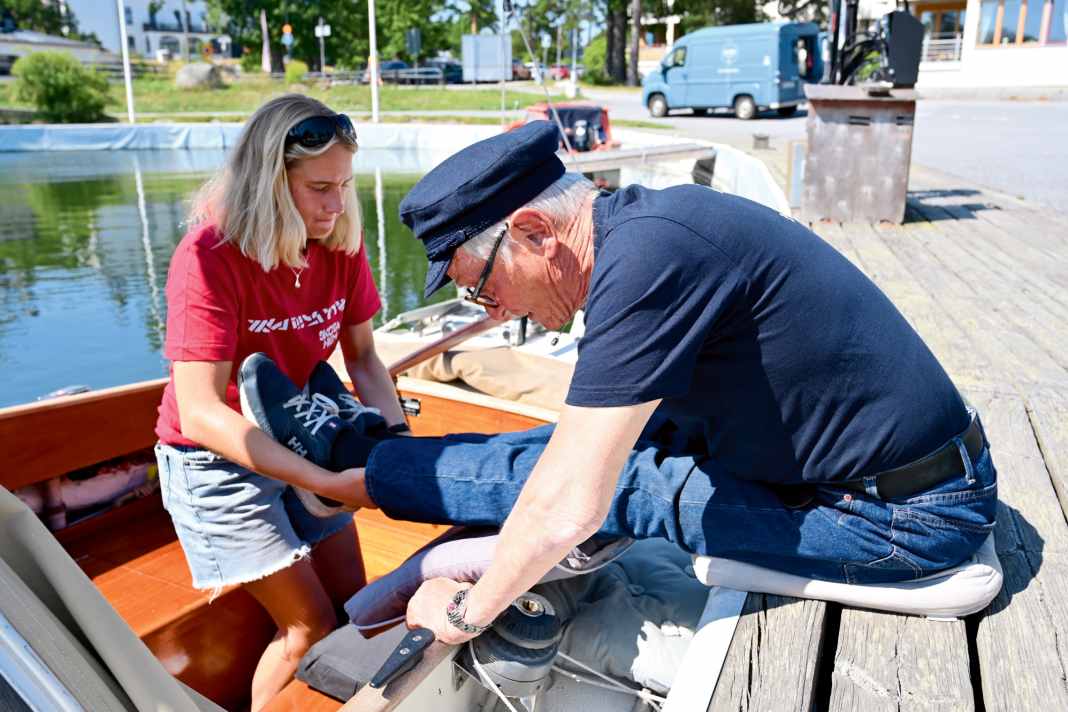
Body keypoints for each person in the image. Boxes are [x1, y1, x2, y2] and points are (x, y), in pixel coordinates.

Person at [241, 121, 997, 648]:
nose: (491, 308)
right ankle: (356, 462)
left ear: (534, 232)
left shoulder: (648, 266)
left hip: (900, 520)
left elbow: (574, 505)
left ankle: (348, 474)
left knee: (623, 487)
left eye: (482, 285)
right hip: (868, 477)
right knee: (559, 449)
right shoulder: (645, 229)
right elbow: (569, 459)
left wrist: (465, 612)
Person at [153, 94, 406, 709]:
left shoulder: (340, 241)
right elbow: (202, 411)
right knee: (310, 627)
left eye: (344, 184)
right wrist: (321, 479)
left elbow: (365, 361)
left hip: (305, 438)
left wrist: (399, 455)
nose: (336, 204)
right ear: (269, 181)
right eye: (319, 187)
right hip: (215, 462)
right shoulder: (209, 258)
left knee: (359, 609)